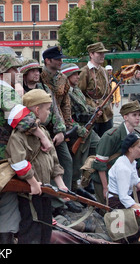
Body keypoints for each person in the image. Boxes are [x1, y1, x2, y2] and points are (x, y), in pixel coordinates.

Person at [0, 53, 52, 244]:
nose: (17, 73)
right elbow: (22, 120)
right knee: (8, 208)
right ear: (3, 72)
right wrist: (43, 137)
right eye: (13, 70)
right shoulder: (4, 92)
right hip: (5, 157)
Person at [6, 89, 66, 244]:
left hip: (45, 191)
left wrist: (61, 185)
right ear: (37, 110)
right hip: (29, 194)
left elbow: (53, 159)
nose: (49, 113)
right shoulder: (19, 136)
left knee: (46, 229)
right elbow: (18, 162)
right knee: (31, 231)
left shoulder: (43, 131)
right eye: (47, 109)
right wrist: (32, 182)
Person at [91, 101, 140, 205]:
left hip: (127, 173)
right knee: (107, 209)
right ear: (125, 117)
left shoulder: (137, 136)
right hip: (107, 176)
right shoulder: (111, 136)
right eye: (134, 115)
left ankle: (137, 197)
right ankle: (134, 198)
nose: (138, 118)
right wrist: (106, 188)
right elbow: (100, 165)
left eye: (139, 115)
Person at [40, 46, 81, 213]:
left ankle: (66, 196)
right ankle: (52, 201)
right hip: (43, 127)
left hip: (59, 128)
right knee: (48, 165)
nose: (61, 61)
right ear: (48, 60)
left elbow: (65, 103)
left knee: (66, 161)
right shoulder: (39, 76)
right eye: (57, 59)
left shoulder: (63, 78)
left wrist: (67, 127)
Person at [61, 63, 101, 194]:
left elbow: (84, 106)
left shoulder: (76, 90)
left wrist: (94, 110)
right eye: (74, 74)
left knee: (98, 147)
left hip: (87, 126)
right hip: (76, 129)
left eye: (78, 73)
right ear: (67, 76)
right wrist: (78, 128)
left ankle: (88, 178)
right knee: (77, 159)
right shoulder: (64, 92)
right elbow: (66, 115)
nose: (78, 76)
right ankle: (73, 185)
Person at [78, 42, 113, 137]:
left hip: (106, 113)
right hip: (92, 114)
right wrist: (91, 107)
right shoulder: (84, 72)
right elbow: (79, 94)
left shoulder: (104, 71)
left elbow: (108, 92)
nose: (102, 55)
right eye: (99, 53)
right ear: (91, 54)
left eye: (103, 53)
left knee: (107, 141)